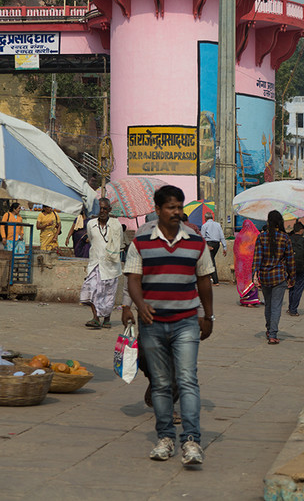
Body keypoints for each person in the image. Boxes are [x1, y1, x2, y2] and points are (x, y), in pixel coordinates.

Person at [122, 184, 214, 466]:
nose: (176, 212)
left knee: (187, 380)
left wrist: (208, 316)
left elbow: (204, 281)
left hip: (186, 321)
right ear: (158, 210)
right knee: (161, 384)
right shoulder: (141, 241)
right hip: (152, 323)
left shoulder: (196, 242)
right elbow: (133, 279)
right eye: (171, 207)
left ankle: (191, 440)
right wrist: (137, 305)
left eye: (179, 207)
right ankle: (165, 437)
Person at [80, 198, 123, 329]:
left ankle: (107, 319)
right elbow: (92, 240)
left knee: (108, 294)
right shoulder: (91, 224)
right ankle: (95, 317)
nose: (102, 211)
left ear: (109, 210)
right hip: (95, 264)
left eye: (105, 208)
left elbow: (119, 242)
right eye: (100, 208)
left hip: (111, 265)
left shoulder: (116, 225)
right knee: (91, 290)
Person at [252, 210, 294, 344]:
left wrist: (255, 274)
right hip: (279, 276)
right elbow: (290, 260)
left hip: (265, 277)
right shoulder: (284, 237)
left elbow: (257, 257)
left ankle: (269, 329)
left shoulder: (262, 237)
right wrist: (291, 277)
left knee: (268, 305)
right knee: (276, 306)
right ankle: (272, 333)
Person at [234, 220, 261, 306]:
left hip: (241, 263)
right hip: (252, 261)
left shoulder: (239, 236)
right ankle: (251, 301)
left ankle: (245, 300)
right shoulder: (255, 234)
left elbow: (235, 249)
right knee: (252, 279)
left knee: (244, 280)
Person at [200, 212, 226, 286]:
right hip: (217, 244)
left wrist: (206, 246)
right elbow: (222, 236)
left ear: (205, 218)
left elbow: (202, 237)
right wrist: (224, 247)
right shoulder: (217, 224)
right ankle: (209, 278)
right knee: (209, 260)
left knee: (211, 262)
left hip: (209, 244)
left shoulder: (204, 226)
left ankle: (215, 281)